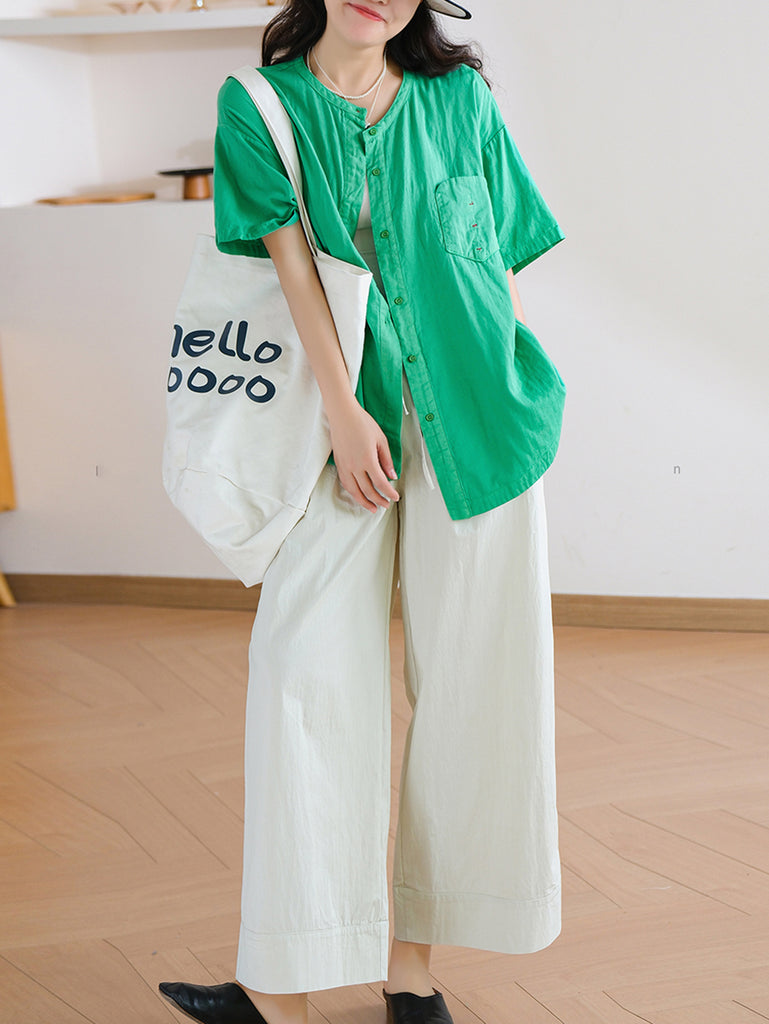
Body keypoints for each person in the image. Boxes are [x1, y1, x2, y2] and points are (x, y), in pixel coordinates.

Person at [159, 2, 567, 1023]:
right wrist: (345, 411)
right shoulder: (259, 102)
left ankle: (411, 971)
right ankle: (281, 984)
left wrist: (507, 386)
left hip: (478, 421)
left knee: (474, 687)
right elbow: (289, 266)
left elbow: (497, 255)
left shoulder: (458, 97)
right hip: (337, 423)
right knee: (301, 677)